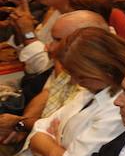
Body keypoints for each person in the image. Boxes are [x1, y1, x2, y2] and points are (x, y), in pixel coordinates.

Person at [0, 28, 125, 156]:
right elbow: (42, 126)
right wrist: (56, 152)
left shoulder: (119, 110)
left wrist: (48, 153)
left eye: (80, 76)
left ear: (106, 70)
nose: (74, 81)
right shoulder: (93, 89)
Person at [0, 11, 109, 148]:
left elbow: (63, 134)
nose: (48, 46)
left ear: (84, 41)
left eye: (57, 40)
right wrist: (23, 125)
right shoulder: (68, 62)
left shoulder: (93, 79)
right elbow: (47, 93)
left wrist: (21, 124)